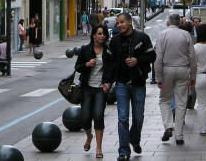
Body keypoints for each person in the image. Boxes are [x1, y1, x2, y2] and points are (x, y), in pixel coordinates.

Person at [104, 13, 156, 161]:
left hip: (138, 83)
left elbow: (152, 56)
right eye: (117, 23)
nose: (119, 25)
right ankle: (124, 150)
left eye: (122, 22)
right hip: (121, 84)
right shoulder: (114, 41)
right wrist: (107, 81)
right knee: (122, 118)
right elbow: (110, 64)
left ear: (129, 22)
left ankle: (134, 139)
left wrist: (137, 60)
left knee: (138, 117)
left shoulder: (142, 38)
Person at [155, 13, 197, 145]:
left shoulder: (162, 35)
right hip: (183, 69)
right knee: (181, 101)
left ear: (168, 22)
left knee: (164, 99)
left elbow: (158, 57)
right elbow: (192, 57)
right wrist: (193, 75)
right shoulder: (186, 35)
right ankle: (179, 135)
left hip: (167, 68)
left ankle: (168, 126)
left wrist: (159, 77)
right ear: (180, 23)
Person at [75, 25, 113, 159]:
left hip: (100, 89)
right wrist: (86, 65)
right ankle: (89, 135)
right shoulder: (85, 50)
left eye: (104, 34)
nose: (102, 36)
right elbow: (78, 67)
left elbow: (111, 69)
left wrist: (108, 82)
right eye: (100, 34)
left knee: (98, 115)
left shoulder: (108, 50)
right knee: (85, 117)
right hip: (86, 88)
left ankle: (98, 148)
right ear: (94, 36)